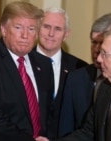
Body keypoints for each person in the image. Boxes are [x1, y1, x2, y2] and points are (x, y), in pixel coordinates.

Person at [0, 1, 53, 141]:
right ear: (4, 30)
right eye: (18, 28)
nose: (25, 35)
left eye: (31, 29)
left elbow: (47, 113)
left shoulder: (44, 64)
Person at [58, 13, 111, 137]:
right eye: (93, 42)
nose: (96, 49)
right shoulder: (76, 79)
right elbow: (66, 129)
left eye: (102, 43)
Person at [34, 7, 88, 139]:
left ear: (66, 34)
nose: (51, 34)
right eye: (46, 27)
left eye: (58, 29)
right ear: (37, 28)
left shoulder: (80, 68)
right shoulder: (23, 62)